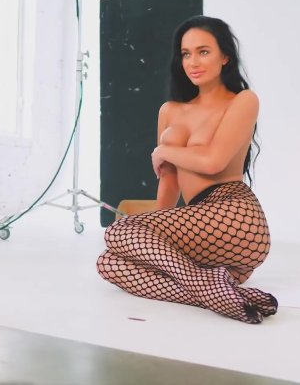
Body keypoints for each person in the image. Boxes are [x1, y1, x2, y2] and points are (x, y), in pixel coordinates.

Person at [96, 16, 275, 324]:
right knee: (109, 263)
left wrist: (163, 150)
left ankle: (204, 283)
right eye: (186, 53)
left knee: (117, 230)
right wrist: (152, 234)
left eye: (203, 51)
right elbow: (169, 180)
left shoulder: (243, 100)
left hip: (236, 216)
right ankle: (220, 291)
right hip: (199, 231)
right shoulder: (170, 111)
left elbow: (213, 161)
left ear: (225, 56)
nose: (193, 62)